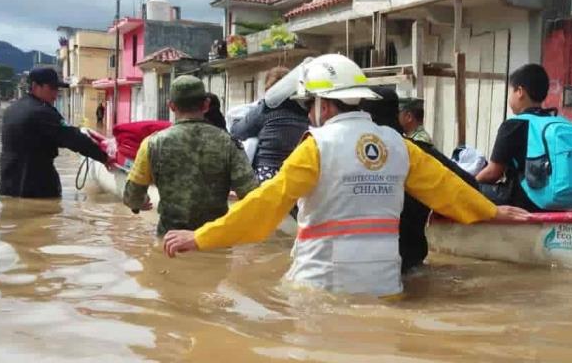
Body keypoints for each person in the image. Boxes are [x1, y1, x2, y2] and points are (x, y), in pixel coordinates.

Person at [162, 55, 530, 296]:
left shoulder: (317, 146)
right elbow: (447, 188)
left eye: (309, 105)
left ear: (324, 104)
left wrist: (202, 237)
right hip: (386, 285)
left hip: (322, 285)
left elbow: (265, 205)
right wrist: (491, 211)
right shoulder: (399, 145)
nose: (308, 114)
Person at [122, 75, 258, 236]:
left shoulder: (152, 144)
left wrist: (140, 202)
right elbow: (252, 196)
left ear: (171, 106)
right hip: (214, 239)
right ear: (206, 105)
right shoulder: (228, 143)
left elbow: (131, 196)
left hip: (170, 241)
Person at [362, 86, 479, 272]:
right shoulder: (418, 152)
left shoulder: (353, 158)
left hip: (368, 266)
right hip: (412, 260)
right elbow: (469, 186)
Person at [0, 67, 109, 198]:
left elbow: (42, 139)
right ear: (35, 86)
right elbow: (73, 139)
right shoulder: (43, 112)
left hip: (8, 185)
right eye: (51, 88)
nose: (55, 94)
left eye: (57, 89)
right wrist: (105, 158)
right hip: (37, 186)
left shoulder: (12, 109)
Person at [475, 64, 552, 211]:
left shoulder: (514, 125)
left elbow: (493, 173)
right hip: (553, 199)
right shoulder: (553, 122)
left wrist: (470, 182)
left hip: (523, 201)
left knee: (473, 189)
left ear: (520, 92)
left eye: (511, 91)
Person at [231, 66, 310, 182]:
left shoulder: (266, 109)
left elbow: (237, 132)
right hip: (296, 175)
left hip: (267, 173)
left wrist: (236, 120)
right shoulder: (304, 111)